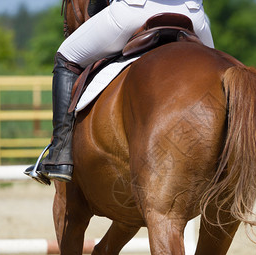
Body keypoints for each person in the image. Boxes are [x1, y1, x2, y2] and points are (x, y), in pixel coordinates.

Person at [25, 0, 214, 183]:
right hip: (193, 16)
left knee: (66, 57)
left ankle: (60, 154)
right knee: (215, 76)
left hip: (133, 12)